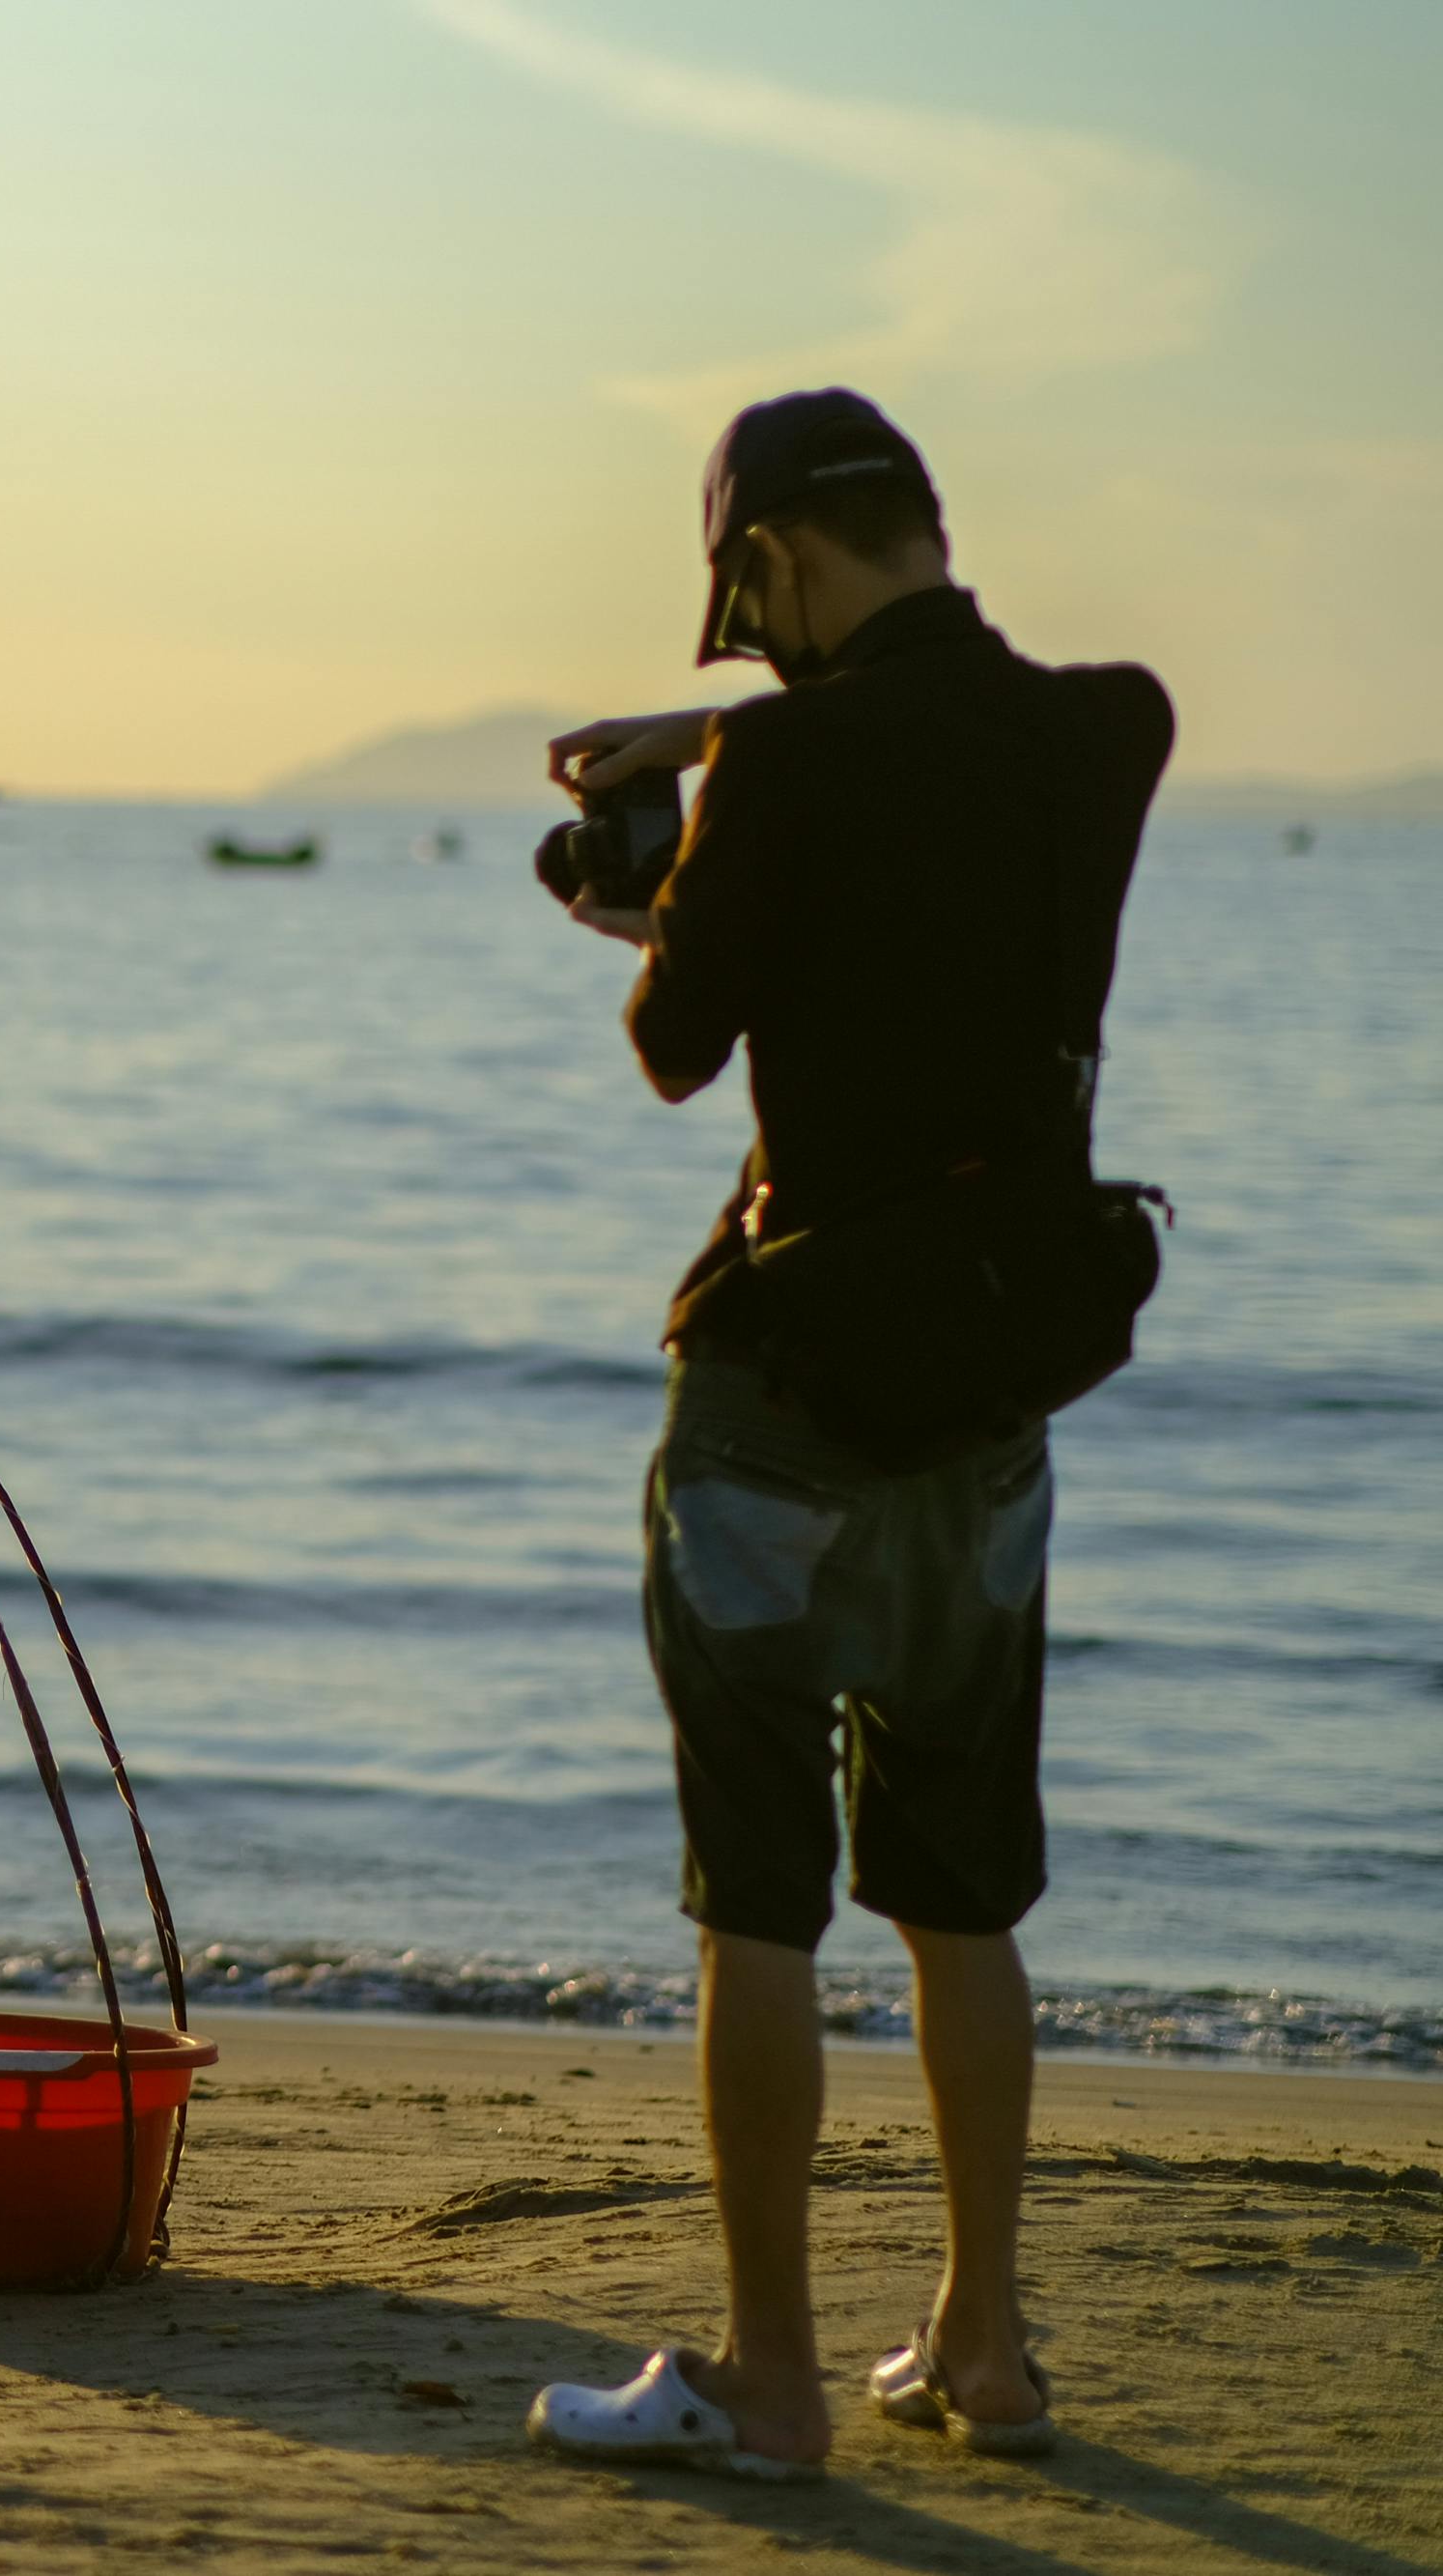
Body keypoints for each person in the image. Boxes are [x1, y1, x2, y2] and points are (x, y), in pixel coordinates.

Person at [523, 390, 1175, 2482]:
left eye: (746, 609)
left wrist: (682, 848)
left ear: (780, 558)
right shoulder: (1106, 733)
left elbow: (671, 1046)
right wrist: (711, 747)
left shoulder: (781, 769)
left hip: (774, 1417)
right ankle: (980, 2345)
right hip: (988, 1407)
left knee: (757, 1902)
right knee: (960, 1894)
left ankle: (771, 2378)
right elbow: (937, 727)